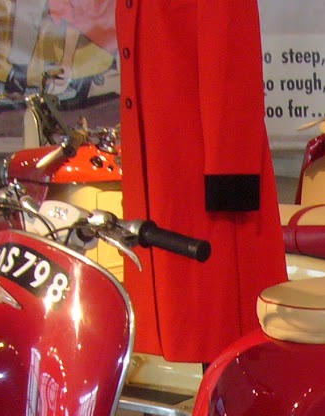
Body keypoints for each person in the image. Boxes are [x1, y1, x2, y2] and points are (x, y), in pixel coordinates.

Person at [115, 0, 287, 365]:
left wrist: (231, 175)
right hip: (166, 168)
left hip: (204, 176)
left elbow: (231, 58)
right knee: (193, 321)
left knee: (225, 327)